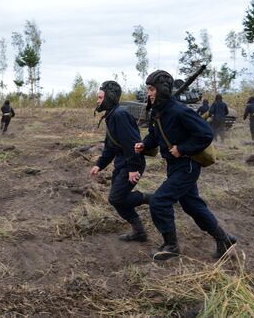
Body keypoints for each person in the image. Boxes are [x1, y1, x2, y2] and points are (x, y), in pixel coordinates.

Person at [134, 70, 237, 261]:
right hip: (174, 166)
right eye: (148, 89)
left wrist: (182, 148)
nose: (149, 93)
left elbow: (206, 134)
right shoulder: (158, 112)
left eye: (151, 89)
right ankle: (224, 239)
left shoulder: (180, 111)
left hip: (187, 165)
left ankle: (171, 246)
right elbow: (154, 136)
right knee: (192, 205)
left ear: (162, 89)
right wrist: (144, 144)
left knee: (159, 201)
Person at [90, 81, 150, 242]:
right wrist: (99, 165)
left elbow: (133, 143)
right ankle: (139, 232)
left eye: (100, 97)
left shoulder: (119, 115)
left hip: (131, 164)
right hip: (122, 163)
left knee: (116, 198)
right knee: (118, 200)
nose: (97, 100)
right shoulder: (111, 115)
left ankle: (152, 199)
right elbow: (111, 147)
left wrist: (133, 169)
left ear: (109, 97)